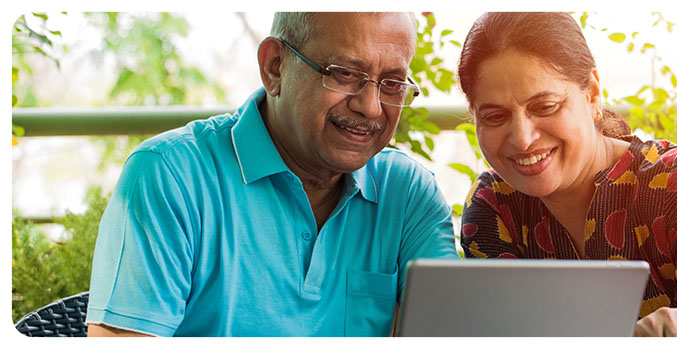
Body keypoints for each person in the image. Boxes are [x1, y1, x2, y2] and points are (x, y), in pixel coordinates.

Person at [85, 12, 458, 337]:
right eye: (344, 74)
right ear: (274, 66)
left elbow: (454, 331)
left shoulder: (407, 194)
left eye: (392, 84)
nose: (370, 106)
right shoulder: (171, 176)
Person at [456, 12, 677, 337]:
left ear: (592, 94)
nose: (523, 138)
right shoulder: (494, 204)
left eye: (545, 107)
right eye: (495, 116)